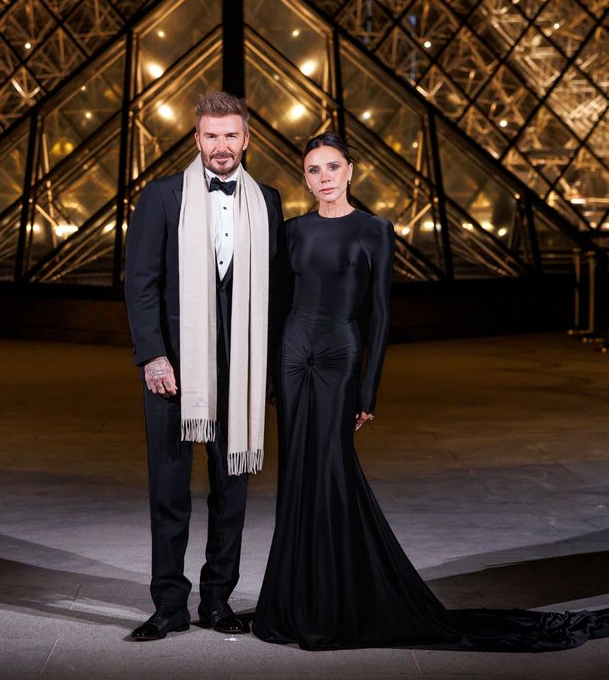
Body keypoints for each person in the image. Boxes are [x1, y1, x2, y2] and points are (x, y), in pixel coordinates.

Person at [253, 130, 609, 651]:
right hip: (292, 355)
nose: (324, 178)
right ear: (304, 178)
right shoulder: (291, 231)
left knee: (331, 469)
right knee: (297, 475)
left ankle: (334, 600)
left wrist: (367, 393)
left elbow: (379, 315)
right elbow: (277, 305)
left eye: (332, 167)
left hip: (339, 356)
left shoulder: (375, 229)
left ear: (351, 170)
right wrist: (268, 378)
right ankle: (293, 599)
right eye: (314, 170)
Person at [124, 91, 283, 641]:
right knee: (169, 490)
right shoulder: (162, 197)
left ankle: (218, 599)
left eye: (230, 135)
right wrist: (153, 355)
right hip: (174, 369)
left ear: (247, 138)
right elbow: (140, 284)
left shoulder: (269, 200)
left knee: (230, 490)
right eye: (210, 136)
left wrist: (268, 367)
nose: (221, 146)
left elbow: (277, 291)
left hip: (239, 370)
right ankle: (168, 605)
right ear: (196, 139)